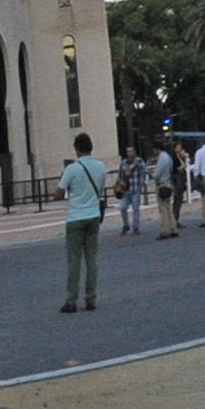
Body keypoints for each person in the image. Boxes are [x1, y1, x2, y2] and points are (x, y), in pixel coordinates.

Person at [56, 133, 109, 314]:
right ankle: (91, 299)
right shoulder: (101, 167)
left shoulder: (72, 169)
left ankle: (71, 300)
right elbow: (101, 189)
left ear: (77, 149)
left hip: (76, 217)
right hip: (94, 215)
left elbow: (58, 193)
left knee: (74, 261)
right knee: (92, 259)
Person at [115, 147, 146, 234]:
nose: (129, 153)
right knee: (122, 207)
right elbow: (120, 175)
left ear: (134, 152)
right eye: (128, 151)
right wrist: (118, 184)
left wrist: (142, 183)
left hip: (135, 188)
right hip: (126, 190)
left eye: (131, 151)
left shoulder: (139, 161)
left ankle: (136, 226)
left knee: (135, 209)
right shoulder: (123, 162)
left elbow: (144, 171)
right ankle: (126, 224)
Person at [151, 142, 179, 239]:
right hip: (168, 183)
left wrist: (150, 174)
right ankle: (173, 227)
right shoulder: (169, 158)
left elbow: (157, 174)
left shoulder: (162, 159)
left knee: (163, 209)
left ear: (157, 149)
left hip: (162, 184)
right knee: (168, 208)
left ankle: (165, 230)